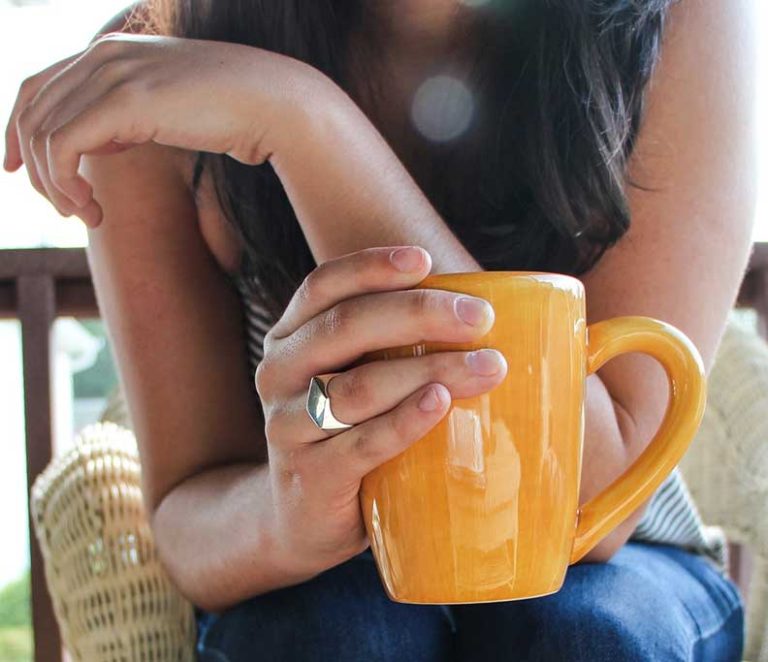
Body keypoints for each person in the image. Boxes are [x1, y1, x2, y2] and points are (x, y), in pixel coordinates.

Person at [3, 0, 755, 659]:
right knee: (333, 634)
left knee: (585, 634)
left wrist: (302, 122)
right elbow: (187, 516)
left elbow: (590, 512)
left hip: (621, 569)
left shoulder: (678, 18)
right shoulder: (153, 76)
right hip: (312, 578)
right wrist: (286, 517)